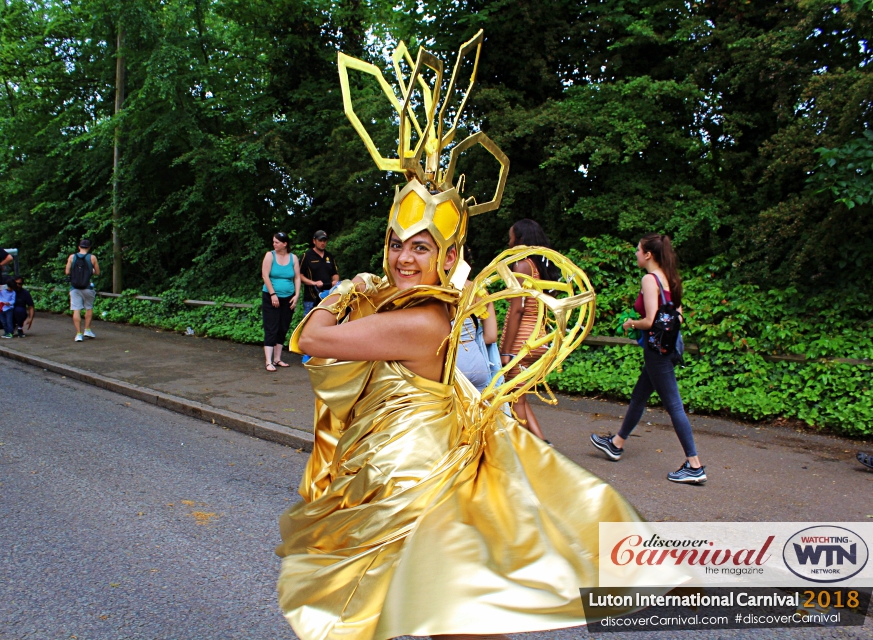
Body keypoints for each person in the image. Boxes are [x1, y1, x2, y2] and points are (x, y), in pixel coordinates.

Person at [278, 31, 648, 640]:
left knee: (434, 611)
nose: (402, 258)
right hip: (426, 475)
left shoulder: (420, 320)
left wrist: (345, 292)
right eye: (396, 244)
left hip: (420, 492)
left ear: (446, 254)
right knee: (455, 609)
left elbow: (314, 339)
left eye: (419, 247)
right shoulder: (443, 308)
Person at [590, 233, 706, 485]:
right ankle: (616, 444)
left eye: (638, 249)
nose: (635, 253)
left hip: (656, 352)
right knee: (640, 396)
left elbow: (651, 320)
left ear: (648, 254)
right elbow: (680, 317)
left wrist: (631, 323)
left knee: (674, 405)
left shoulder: (649, 279)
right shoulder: (671, 278)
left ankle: (694, 465)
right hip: (671, 347)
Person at [498, 219, 561, 443]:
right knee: (520, 397)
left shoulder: (522, 264)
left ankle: (529, 451)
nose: (509, 242)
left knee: (514, 398)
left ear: (521, 239)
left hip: (521, 341)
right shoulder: (540, 268)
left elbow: (517, 310)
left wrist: (505, 351)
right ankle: (543, 444)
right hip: (539, 338)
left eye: (511, 237)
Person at [260, 231, 300, 371]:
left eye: (277, 242)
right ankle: (268, 361)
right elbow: (265, 275)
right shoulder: (269, 255)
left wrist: (296, 295)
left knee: (283, 327)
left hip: (288, 297)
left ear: (285, 244)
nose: (274, 244)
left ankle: (277, 359)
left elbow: (297, 278)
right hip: (271, 296)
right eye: (273, 242)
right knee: (272, 327)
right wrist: (273, 294)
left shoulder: (293, 258)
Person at [65, 239, 100, 343]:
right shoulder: (92, 257)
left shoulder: (72, 257)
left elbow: (67, 272)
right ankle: (87, 330)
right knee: (89, 307)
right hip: (87, 287)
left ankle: (78, 334)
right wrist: (91, 271)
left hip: (75, 288)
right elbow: (97, 272)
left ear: (79, 246)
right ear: (89, 247)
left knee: (76, 309)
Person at [298, 230, 339, 316]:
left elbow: (335, 273)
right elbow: (299, 276)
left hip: (328, 297)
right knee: (309, 325)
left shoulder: (329, 256)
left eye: (324, 241)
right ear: (314, 241)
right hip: (311, 298)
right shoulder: (307, 256)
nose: (323, 243)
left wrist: (335, 281)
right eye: (320, 240)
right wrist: (314, 283)